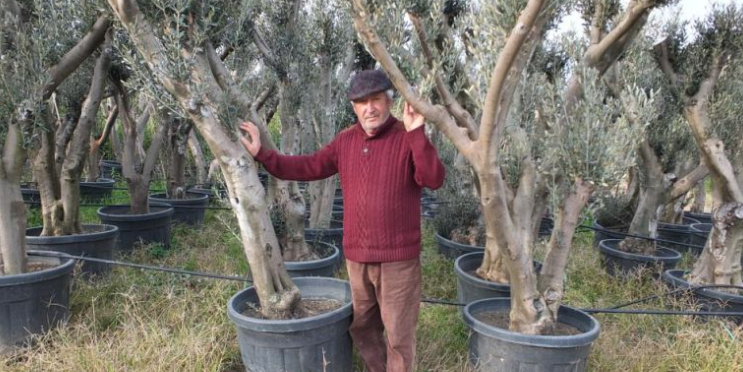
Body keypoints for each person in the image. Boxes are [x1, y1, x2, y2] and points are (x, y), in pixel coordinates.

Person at [239, 69, 445, 372]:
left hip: (397, 261)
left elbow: (433, 179)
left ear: (389, 101)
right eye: (361, 102)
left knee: (399, 336)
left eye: (376, 99)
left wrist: (417, 133)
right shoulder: (345, 141)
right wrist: (262, 154)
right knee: (362, 327)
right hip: (357, 258)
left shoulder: (406, 137)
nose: (369, 108)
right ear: (353, 107)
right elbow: (307, 166)